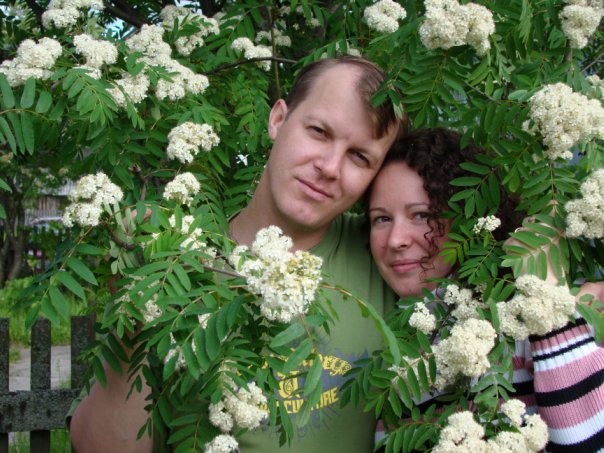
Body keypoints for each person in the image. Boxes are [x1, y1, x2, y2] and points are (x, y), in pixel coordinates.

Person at [69, 56, 403, 453]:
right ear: (278, 119)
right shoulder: (173, 262)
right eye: (318, 132)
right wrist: (136, 312)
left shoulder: (388, 254)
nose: (330, 167)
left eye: (360, 157)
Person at [367, 128, 604, 451]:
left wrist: (548, 305)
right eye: (381, 219)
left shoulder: (519, 320)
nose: (396, 240)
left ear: (470, 220)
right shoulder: (396, 350)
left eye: (422, 215)